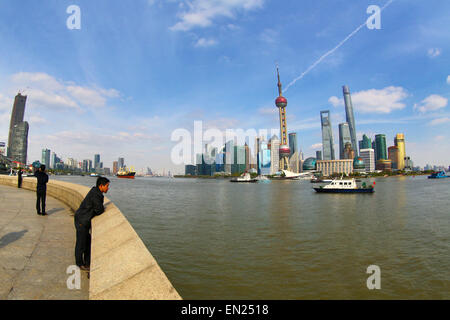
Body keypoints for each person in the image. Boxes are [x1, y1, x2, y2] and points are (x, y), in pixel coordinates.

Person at [74, 176, 110, 271]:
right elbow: (99, 210)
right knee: (81, 244)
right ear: (101, 186)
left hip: (83, 219)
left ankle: (86, 263)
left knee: (87, 242)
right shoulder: (96, 194)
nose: (108, 188)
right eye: (107, 186)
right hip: (82, 220)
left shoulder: (96, 192)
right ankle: (79, 263)